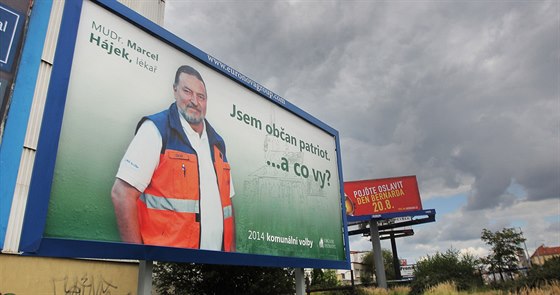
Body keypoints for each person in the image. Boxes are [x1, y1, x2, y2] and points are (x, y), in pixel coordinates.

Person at [111, 65, 235, 251]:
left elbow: (228, 206)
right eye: (187, 92)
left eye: (201, 96)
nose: (194, 101)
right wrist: (139, 260)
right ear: (175, 91)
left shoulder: (217, 144)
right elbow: (122, 194)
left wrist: (231, 258)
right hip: (170, 269)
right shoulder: (156, 130)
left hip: (216, 268)